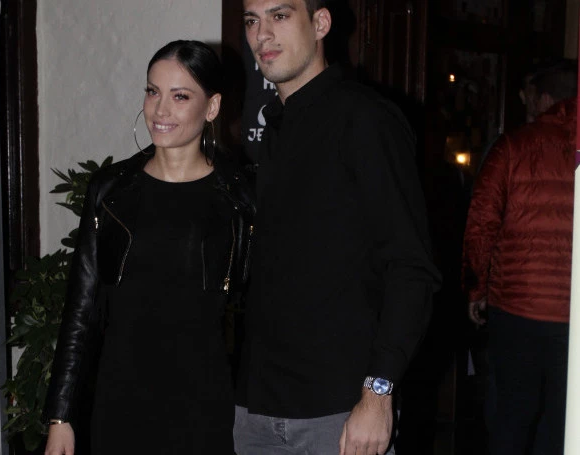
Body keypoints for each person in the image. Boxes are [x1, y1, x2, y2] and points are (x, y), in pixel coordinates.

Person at [234, 1, 441, 454]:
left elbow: (411, 268)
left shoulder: (365, 118)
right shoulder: (276, 126)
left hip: (340, 413)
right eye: (252, 20)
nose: (261, 34)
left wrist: (379, 393)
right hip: (256, 410)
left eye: (279, 16)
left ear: (321, 23)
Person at [42, 40, 256, 455]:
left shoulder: (241, 198)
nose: (160, 110)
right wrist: (60, 417)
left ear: (212, 107)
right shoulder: (111, 191)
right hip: (120, 404)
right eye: (153, 91)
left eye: (180, 96)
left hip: (207, 408)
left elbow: (258, 312)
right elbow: (81, 309)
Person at [462, 62, 577, 455]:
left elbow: (481, 223)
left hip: (516, 306)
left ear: (545, 99)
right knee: (561, 421)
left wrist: (476, 288)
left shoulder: (512, 146)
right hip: (572, 315)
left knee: (512, 415)